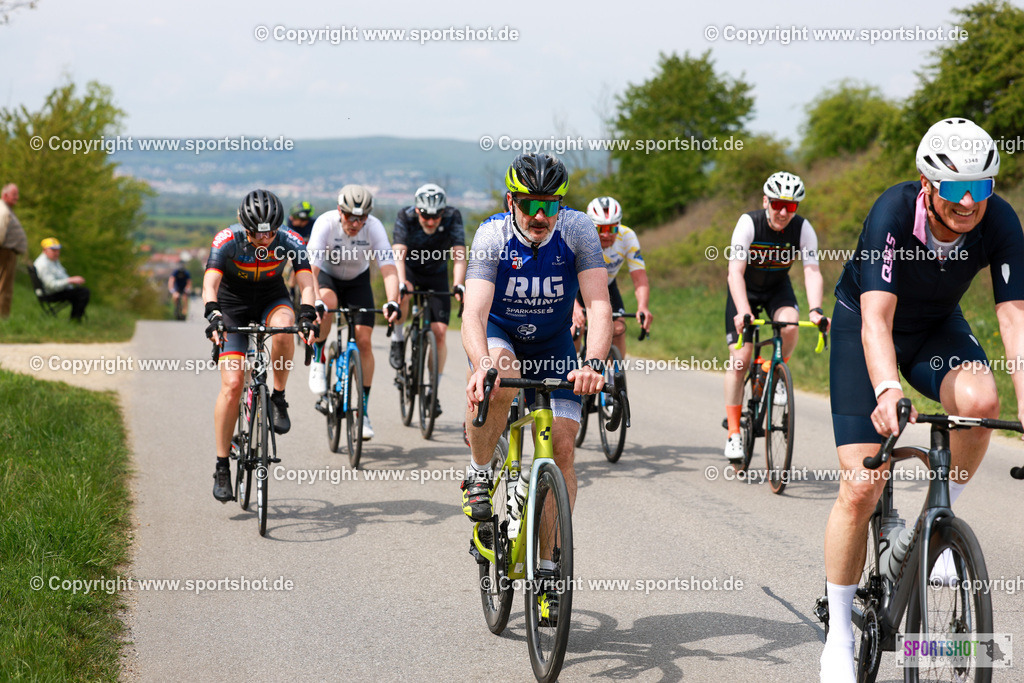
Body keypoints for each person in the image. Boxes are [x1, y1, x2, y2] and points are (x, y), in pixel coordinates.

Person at [820, 118, 1024, 682]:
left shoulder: (1000, 221)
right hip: (862, 326)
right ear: (926, 183)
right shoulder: (892, 211)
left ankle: (937, 527)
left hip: (935, 330)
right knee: (862, 486)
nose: (967, 203)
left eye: (979, 189)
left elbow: (1014, 318)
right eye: (954, 189)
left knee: (981, 400)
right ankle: (838, 636)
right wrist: (887, 390)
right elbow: (876, 319)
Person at [462, 153, 611, 618]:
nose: (540, 215)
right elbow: (473, 312)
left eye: (550, 204)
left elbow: (600, 304)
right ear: (512, 201)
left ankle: (547, 569)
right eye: (529, 204)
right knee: (499, 380)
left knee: (562, 451)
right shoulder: (492, 235)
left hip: (553, 343)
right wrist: (481, 363)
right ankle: (480, 472)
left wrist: (592, 362)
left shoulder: (579, 230)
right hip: (501, 335)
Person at [203, 189, 318, 503]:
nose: (265, 240)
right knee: (232, 384)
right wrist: (213, 312)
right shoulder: (226, 239)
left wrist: (308, 313)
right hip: (232, 304)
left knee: (285, 328)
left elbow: (307, 282)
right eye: (257, 234)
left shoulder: (290, 239)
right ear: (245, 226)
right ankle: (222, 464)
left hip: (271, 298)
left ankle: (278, 398)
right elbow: (210, 282)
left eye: (270, 234)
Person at [722, 171, 827, 461]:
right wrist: (743, 310)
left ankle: (773, 373)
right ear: (766, 200)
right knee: (741, 358)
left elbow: (811, 270)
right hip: (744, 290)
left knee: (791, 326)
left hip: (777, 289)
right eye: (778, 204)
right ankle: (733, 433)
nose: (783, 212)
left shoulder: (803, 228)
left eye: (791, 206)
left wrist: (815, 310)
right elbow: (734, 272)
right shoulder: (749, 223)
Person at [305, 184, 401, 440]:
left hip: (358, 282)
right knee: (328, 303)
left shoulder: (375, 227)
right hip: (327, 278)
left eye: (362, 218)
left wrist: (392, 301)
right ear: (340, 211)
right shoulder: (325, 224)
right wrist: (315, 302)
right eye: (350, 217)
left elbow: (389, 268)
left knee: (364, 341)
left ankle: (363, 412)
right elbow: (310, 269)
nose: (356, 223)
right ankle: (318, 359)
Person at [390, 183, 467, 416]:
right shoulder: (405, 216)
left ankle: (433, 389)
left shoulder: (453, 216)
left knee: (440, 333)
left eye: (436, 216)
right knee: (403, 293)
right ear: (417, 209)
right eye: (425, 215)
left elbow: (459, 253)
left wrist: (458, 284)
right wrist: (401, 282)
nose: (431, 221)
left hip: (436, 273)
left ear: (443, 212)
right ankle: (398, 339)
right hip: (410, 270)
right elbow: (398, 254)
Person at [572, 195, 653, 356]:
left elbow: (639, 278)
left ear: (619, 225)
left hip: (607, 286)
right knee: (575, 329)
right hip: (576, 287)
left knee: (618, 329)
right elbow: (563, 276)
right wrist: (575, 307)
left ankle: (615, 377)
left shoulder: (628, 237)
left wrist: (643, 306)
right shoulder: (579, 237)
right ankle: (569, 372)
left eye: (612, 228)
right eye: (600, 229)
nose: (606, 235)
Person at [32, 238, 91, 321]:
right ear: (45, 250)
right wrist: (70, 280)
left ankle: (75, 318)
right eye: (53, 250)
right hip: (51, 294)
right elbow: (51, 285)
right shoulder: (43, 265)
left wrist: (70, 281)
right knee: (83, 293)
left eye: (58, 250)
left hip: (58, 291)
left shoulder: (53, 261)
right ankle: (75, 319)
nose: (57, 253)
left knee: (81, 292)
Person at [0, 183, 29, 319]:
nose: (17, 197)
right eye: (14, 194)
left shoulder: (7, 209)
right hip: (4, 252)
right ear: (5, 195)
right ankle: (2, 317)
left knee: (6, 286)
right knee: (4, 286)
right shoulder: (2, 210)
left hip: (8, 253)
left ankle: (4, 317)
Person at [283, 202, 316, 304]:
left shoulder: (314, 225)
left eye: (294, 217)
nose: (291, 218)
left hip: (311, 252)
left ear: (304, 220)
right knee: (294, 270)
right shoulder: (290, 222)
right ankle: (291, 292)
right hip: (295, 252)